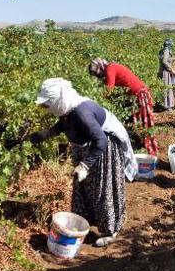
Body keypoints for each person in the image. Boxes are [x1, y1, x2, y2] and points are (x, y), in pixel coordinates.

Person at [28, 78, 137, 247]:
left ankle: (110, 230)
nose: (45, 108)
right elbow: (63, 124)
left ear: (58, 101)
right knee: (83, 186)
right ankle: (84, 222)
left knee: (102, 188)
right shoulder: (68, 109)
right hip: (85, 147)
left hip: (103, 148)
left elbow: (100, 140)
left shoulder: (81, 112)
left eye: (47, 104)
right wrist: (45, 135)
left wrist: (85, 165)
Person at [89, 58, 159, 156]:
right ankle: (140, 148)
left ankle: (149, 152)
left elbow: (109, 90)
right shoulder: (111, 68)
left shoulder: (110, 69)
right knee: (136, 124)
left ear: (100, 67)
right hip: (134, 96)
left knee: (143, 125)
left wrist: (97, 103)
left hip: (139, 95)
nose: (99, 76)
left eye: (97, 73)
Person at [158, 38, 175, 110]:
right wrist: (171, 69)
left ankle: (165, 104)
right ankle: (167, 106)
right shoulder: (166, 50)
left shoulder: (163, 50)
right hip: (165, 72)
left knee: (165, 87)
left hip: (162, 71)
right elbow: (165, 61)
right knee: (167, 88)